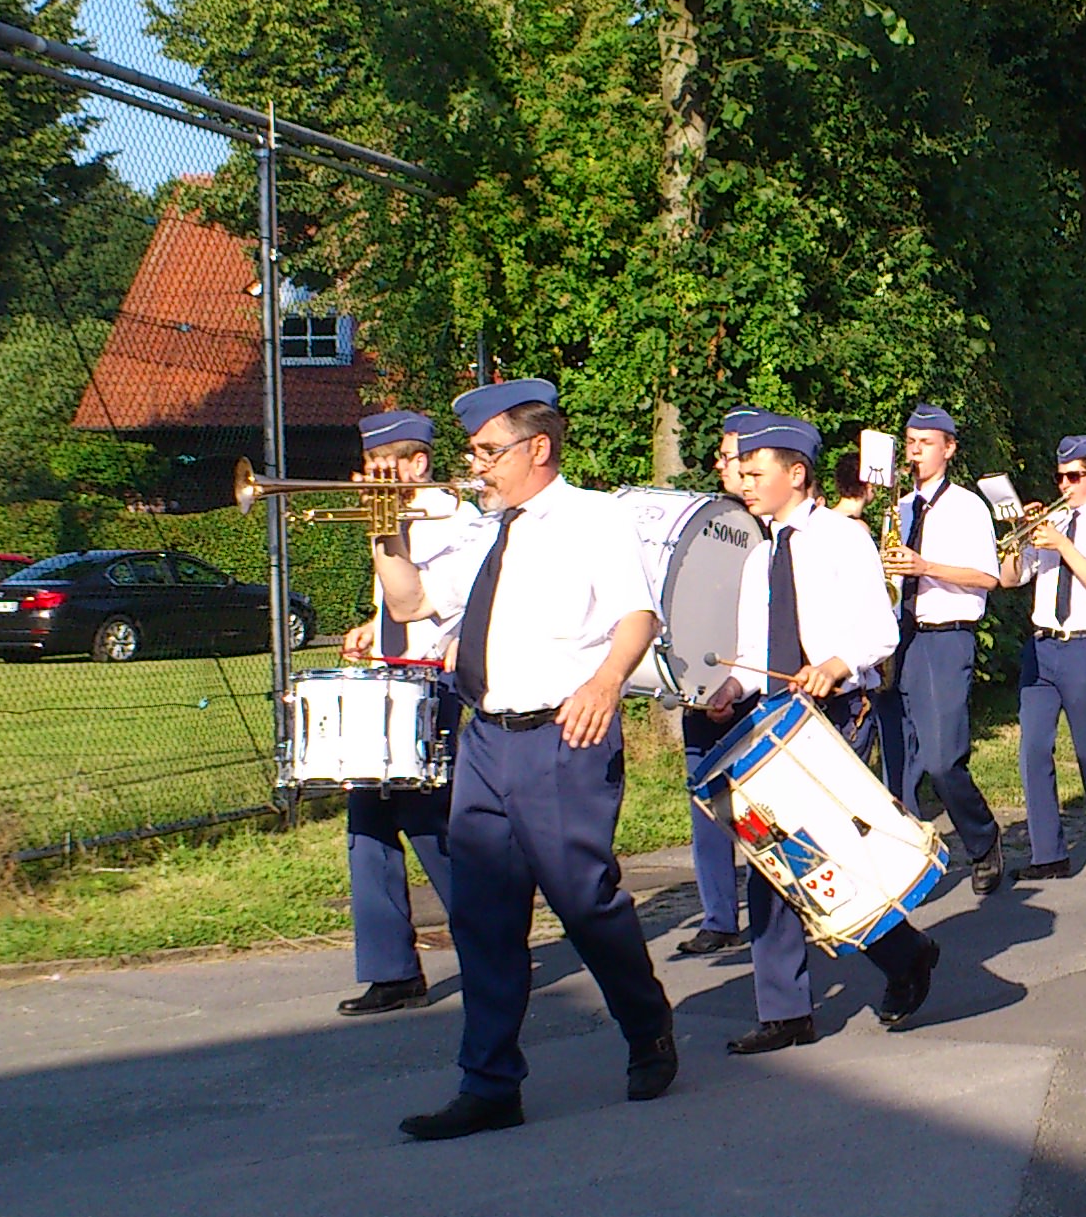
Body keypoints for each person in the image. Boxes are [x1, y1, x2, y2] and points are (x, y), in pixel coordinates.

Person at [374, 378, 677, 1140]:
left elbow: (638, 616)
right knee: (482, 916)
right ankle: (488, 1084)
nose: (476, 465)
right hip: (486, 738)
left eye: (489, 451)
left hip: (562, 734)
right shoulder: (484, 530)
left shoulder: (594, 519)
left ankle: (647, 1028)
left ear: (537, 448)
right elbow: (410, 603)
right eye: (474, 452)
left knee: (584, 902)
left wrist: (606, 683)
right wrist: (384, 528)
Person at [701, 414, 935, 1050]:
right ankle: (786, 1011)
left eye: (756, 472)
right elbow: (754, 649)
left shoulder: (841, 538)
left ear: (796, 473)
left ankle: (904, 954)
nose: (745, 482)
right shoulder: (760, 554)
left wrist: (836, 665)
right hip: (775, 718)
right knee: (773, 860)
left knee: (831, 856)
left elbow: (881, 632)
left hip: (835, 715)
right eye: (742, 472)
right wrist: (731, 689)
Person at [330, 410, 489, 1017]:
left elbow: (447, 605)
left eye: (383, 466)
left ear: (418, 464)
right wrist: (371, 629)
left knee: (428, 821)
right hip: (389, 679)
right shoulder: (388, 517)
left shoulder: (454, 520)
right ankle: (391, 971)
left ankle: (487, 949)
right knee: (366, 820)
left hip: (433, 683)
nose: (372, 476)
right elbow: (394, 603)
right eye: (369, 465)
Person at [880, 403, 1005, 891]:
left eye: (926, 444)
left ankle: (982, 837)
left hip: (944, 637)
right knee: (898, 764)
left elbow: (987, 577)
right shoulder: (899, 506)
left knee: (941, 760)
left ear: (948, 449)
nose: (915, 452)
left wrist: (925, 567)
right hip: (900, 637)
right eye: (910, 443)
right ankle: (909, 859)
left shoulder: (966, 506)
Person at [1002, 434, 1086, 880]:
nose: (1064, 486)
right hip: (1042, 645)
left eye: (1074, 477)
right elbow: (1010, 579)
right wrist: (1018, 540)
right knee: (1033, 750)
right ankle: (1048, 854)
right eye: (1060, 477)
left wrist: (1062, 544)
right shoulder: (1051, 524)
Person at [673, 407, 767, 960]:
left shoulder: (771, 530)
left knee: (760, 806)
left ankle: (778, 907)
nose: (721, 466)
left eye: (730, 457)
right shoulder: (703, 525)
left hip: (757, 689)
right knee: (706, 799)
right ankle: (719, 916)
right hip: (708, 684)